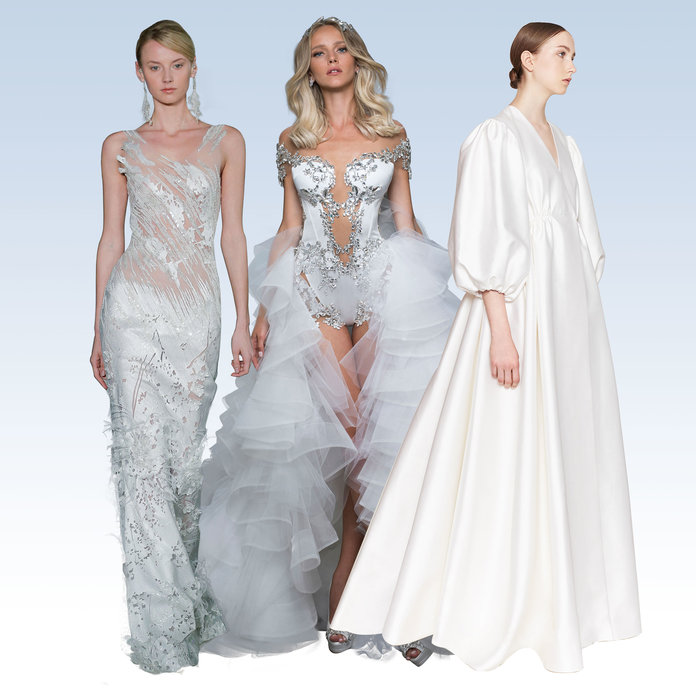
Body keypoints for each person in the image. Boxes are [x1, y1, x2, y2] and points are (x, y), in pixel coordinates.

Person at [330, 22, 641, 671]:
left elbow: (584, 241)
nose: (572, 66)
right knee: (488, 453)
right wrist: (501, 329)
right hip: (515, 318)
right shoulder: (493, 138)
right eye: (562, 54)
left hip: (566, 322)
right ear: (527, 60)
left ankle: (547, 602)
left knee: (554, 452)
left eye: (574, 56)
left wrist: (578, 325)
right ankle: (431, 604)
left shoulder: (567, 145)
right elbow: (480, 232)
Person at [198, 16, 456, 656]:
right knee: (343, 433)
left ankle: (373, 593)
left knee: (377, 443)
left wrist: (444, 296)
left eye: (341, 49)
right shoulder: (292, 141)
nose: (333, 59)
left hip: (381, 283)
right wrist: (265, 309)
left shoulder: (391, 134)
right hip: (313, 289)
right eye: (319, 52)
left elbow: (405, 221)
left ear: (356, 61)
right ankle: (343, 594)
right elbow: (289, 227)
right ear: (307, 68)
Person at [90, 19, 253, 673]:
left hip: (196, 318)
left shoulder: (225, 142)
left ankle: (187, 611)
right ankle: (161, 632)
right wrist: (96, 326)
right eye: (154, 66)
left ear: (193, 68)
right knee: (141, 467)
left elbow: (232, 235)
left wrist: (242, 320)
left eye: (176, 65)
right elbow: (111, 237)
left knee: (181, 470)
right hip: (132, 313)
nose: (166, 77)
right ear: (139, 72)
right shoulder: (119, 146)